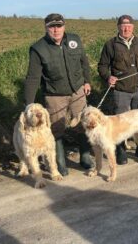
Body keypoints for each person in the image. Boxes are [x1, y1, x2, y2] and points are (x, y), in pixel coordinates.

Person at [24, 13, 93, 176]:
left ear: (64, 26)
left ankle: (85, 156)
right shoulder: (38, 49)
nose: (56, 30)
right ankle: (60, 162)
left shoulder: (74, 40)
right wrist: (28, 102)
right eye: (52, 26)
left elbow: (84, 62)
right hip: (54, 95)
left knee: (83, 123)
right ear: (46, 28)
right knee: (56, 129)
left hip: (78, 90)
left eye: (59, 26)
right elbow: (33, 78)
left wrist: (87, 81)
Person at [98, 14, 138, 165]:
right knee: (120, 124)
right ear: (118, 27)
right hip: (121, 91)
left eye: (129, 26)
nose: (126, 28)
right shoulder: (110, 45)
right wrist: (108, 77)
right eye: (123, 26)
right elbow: (102, 66)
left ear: (133, 27)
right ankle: (121, 151)